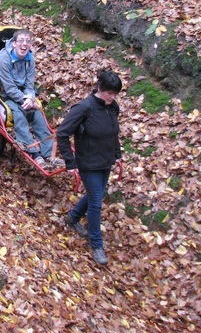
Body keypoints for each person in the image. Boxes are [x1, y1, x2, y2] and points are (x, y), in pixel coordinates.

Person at [56, 69, 123, 266]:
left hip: (105, 160)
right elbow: (62, 133)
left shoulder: (112, 107)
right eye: (110, 93)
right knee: (96, 202)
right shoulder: (84, 108)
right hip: (88, 162)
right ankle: (96, 245)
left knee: (96, 195)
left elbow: (113, 133)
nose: (112, 97)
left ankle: (73, 217)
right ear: (99, 88)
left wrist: (117, 155)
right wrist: (70, 162)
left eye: (115, 94)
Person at [0, 28, 64, 169]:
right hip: (4, 94)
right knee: (19, 115)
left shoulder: (30, 59)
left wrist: (30, 98)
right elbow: (9, 88)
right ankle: (34, 153)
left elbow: (30, 84)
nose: (24, 44)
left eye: (28, 41)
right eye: (21, 41)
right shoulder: (3, 59)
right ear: (14, 43)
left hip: (23, 95)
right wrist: (26, 101)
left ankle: (49, 154)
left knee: (37, 114)